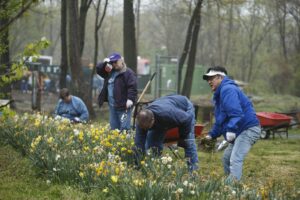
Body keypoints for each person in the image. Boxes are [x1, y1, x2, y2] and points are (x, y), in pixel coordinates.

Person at [203, 66, 261, 182]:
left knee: (235, 158)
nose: (209, 81)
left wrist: (231, 129)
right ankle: (231, 183)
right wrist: (211, 135)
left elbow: (236, 112)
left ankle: (232, 187)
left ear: (220, 77)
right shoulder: (219, 95)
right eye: (207, 79)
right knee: (226, 158)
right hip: (239, 131)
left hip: (248, 129)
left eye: (211, 78)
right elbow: (220, 120)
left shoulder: (228, 89)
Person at [134, 94, 199, 172]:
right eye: (145, 128)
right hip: (165, 109)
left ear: (153, 120)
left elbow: (187, 120)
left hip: (184, 107)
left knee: (188, 142)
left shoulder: (168, 113)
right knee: (152, 145)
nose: (146, 130)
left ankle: (193, 173)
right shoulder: (141, 122)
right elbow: (139, 144)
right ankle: (152, 170)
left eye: (148, 127)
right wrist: (138, 165)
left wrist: (182, 137)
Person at [96, 52, 137, 131]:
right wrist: (106, 63)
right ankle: (116, 143)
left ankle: (125, 143)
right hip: (112, 107)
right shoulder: (109, 72)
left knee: (124, 129)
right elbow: (98, 69)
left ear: (121, 60)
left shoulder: (128, 73)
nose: (114, 64)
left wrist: (130, 99)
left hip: (124, 107)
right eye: (112, 62)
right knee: (114, 129)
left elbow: (132, 87)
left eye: (116, 62)